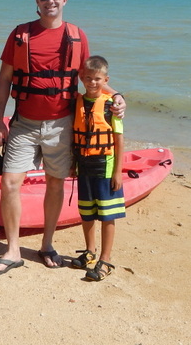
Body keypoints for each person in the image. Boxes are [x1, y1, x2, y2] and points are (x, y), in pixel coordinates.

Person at [0, 0, 125, 276]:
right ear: (37, 1)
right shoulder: (20, 34)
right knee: (10, 182)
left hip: (62, 123)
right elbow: (4, 80)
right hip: (23, 123)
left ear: (64, 0)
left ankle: (47, 244)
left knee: (55, 183)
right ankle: (12, 250)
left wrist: (117, 96)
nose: (50, 0)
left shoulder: (77, 36)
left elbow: (92, 80)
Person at [69, 55, 125, 281]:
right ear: (82, 78)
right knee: (87, 212)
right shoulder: (77, 102)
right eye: (88, 78)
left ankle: (106, 259)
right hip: (84, 165)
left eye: (98, 79)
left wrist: (118, 172)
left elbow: (119, 140)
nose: (92, 83)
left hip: (105, 166)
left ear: (106, 80)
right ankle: (90, 252)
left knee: (107, 214)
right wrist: (73, 164)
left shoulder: (112, 106)